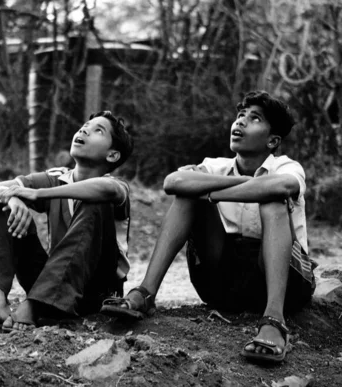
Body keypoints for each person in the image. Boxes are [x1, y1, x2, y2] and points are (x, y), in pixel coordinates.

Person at [100, 91, 315, 364]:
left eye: (255, 118)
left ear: (273, 140)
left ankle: (274, 321)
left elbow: (280, 186)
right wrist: (240, 185)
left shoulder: (286, 166)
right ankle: (145, 293)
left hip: (287, 282)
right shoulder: (216, 166)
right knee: (188, 196)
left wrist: (212, 189)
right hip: (223, 282)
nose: (240, 123)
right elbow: (173, 183)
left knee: (271, 199)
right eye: (240, 116)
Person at [0, 111, 134, 332]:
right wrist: (11, 197)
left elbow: (106, 190)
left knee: (94, 200)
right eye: (85, 125)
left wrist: (38, 194)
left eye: (98, 130)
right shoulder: (56, 177)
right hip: (52, 285)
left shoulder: (116, 185)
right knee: (0, 204)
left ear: (113, 155)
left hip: (96, 294)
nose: (84, 130)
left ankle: (35, 305)